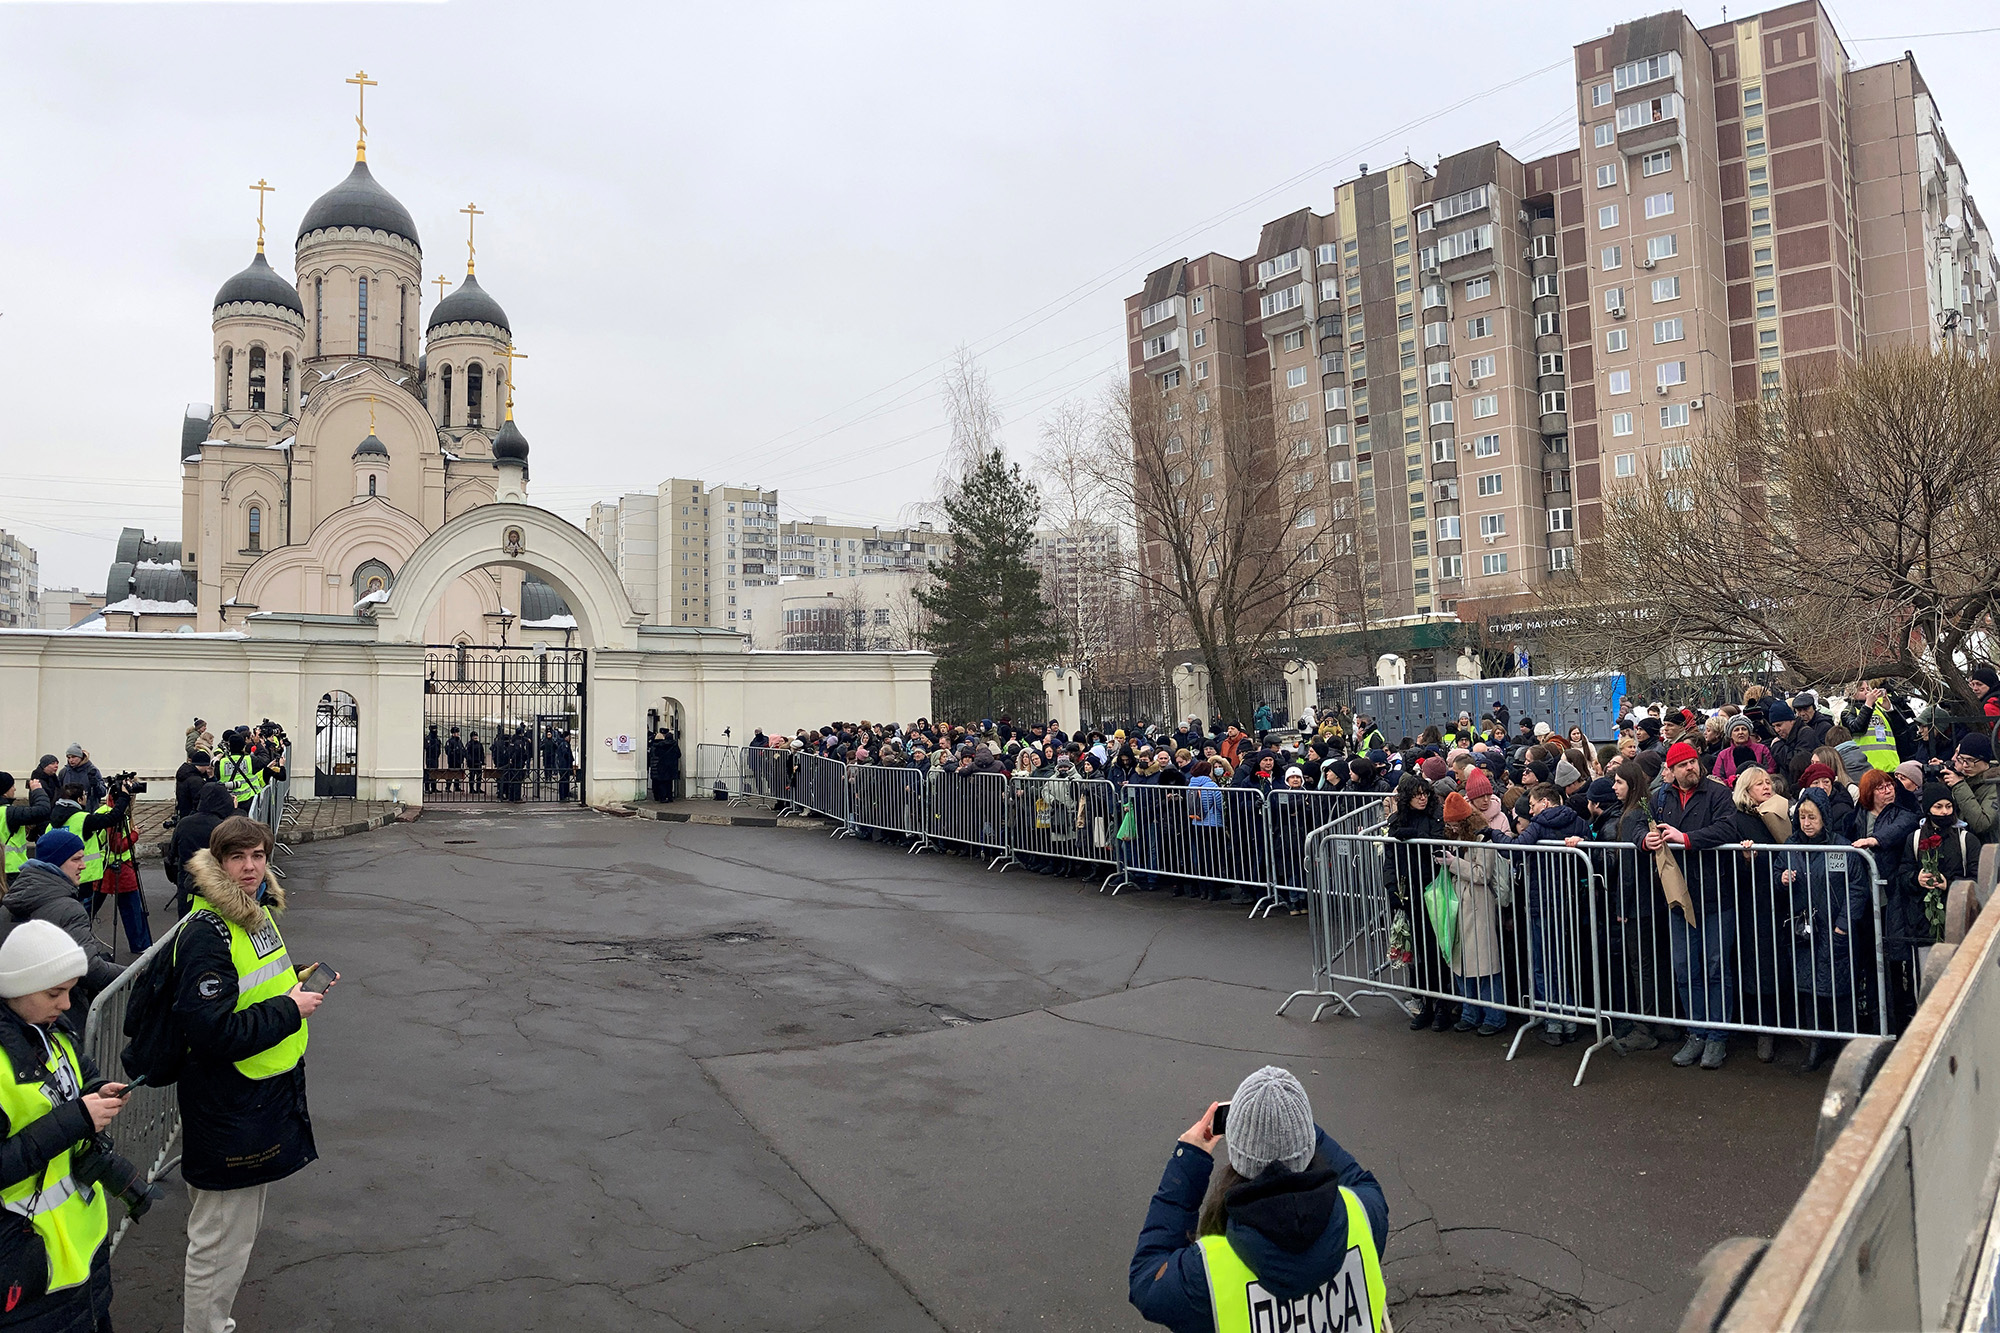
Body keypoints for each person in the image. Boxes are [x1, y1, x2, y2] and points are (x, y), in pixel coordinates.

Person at [176, 816, 328, 1333]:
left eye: (258, 856)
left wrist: (296, 981)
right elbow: (211, 1032)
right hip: (227, 1099)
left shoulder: (255, 914)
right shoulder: (208, 932)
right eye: (238, 858)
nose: (249, 867)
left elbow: (255, 984)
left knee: (236, 1234)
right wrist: (290, 1010)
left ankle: (214, 1322)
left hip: (259, 1093)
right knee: (219, 1240)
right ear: (218, 862)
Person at [1128, 1066, 1388, 1333]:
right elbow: (1359, 1180)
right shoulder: (1362, 1213)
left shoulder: (1206, 1273)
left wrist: (1188, 1162)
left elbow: (1147, 1279)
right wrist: (1294, 1127)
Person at [0, 918, 148, 1333]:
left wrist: (101, 1090)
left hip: (82, 1252)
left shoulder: (53, 1027)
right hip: (28, 1267)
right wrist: (77, 1118)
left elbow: (80, 1078)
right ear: (17, 988)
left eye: (69, 991)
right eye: (55, 993)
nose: (67, 1004)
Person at [1645, 740, 1742, 1070]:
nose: (1691, 768)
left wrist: (1685, 839)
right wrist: (1644, 840)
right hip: (1678, 896)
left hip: (1715, 894)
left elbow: (1728, 827)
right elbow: (1634, 823)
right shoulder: (1660, 798)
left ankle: (1717, 1036)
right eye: (1683, 765)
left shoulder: (1716, 793)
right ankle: (1696, 1033)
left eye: (1693, 762)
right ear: (1670, 771)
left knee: (1716, 968)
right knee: (1686, 968)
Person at [0, 831, 124, 1006]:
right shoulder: (69, 909)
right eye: (76, 859)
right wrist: (132, 973)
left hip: (16, 1008)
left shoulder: (10, 902)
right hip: (60, 1010)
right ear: (56, 862)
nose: (83, 866)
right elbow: (88, 968)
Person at [1, 772, 54, 887]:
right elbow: (42, 810)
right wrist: (37, 790)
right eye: (12, 786)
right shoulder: (9, 813)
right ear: (4, 792)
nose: (14, 789)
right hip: (10, 869)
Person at [58, 749, 104, 814]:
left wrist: (96, 784)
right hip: (67, 813)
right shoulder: (64, 772)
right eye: (69, 757)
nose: (71, 760)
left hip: (88, 813)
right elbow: (58, 793)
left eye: (74, 757)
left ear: (81, 757)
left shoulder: (92, 771)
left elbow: (103, 792)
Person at [444, 727, 465, 794]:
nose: (458, 734)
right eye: (456, 732)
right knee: (451, 774)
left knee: (458, 774)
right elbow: (448, 751)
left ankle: (457, 786)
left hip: (459, 760)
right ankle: (447, 787)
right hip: (452, 760)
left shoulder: (459, 741)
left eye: (458, 732)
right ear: (453, 733)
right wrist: (454, 752)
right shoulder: (450, 741)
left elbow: (462, 749)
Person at [466, 728, 487, 796]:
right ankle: (471, 789)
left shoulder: (479, 744)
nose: (475, 737)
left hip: (478, 762)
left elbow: (482, 753)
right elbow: (467, 753)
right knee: (472, 776)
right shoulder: (469, 744)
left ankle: (478, 788)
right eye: (474, 736)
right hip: (472, 763)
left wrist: (482, 761)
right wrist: (470, 760)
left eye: (476, 736)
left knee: (479, 777)